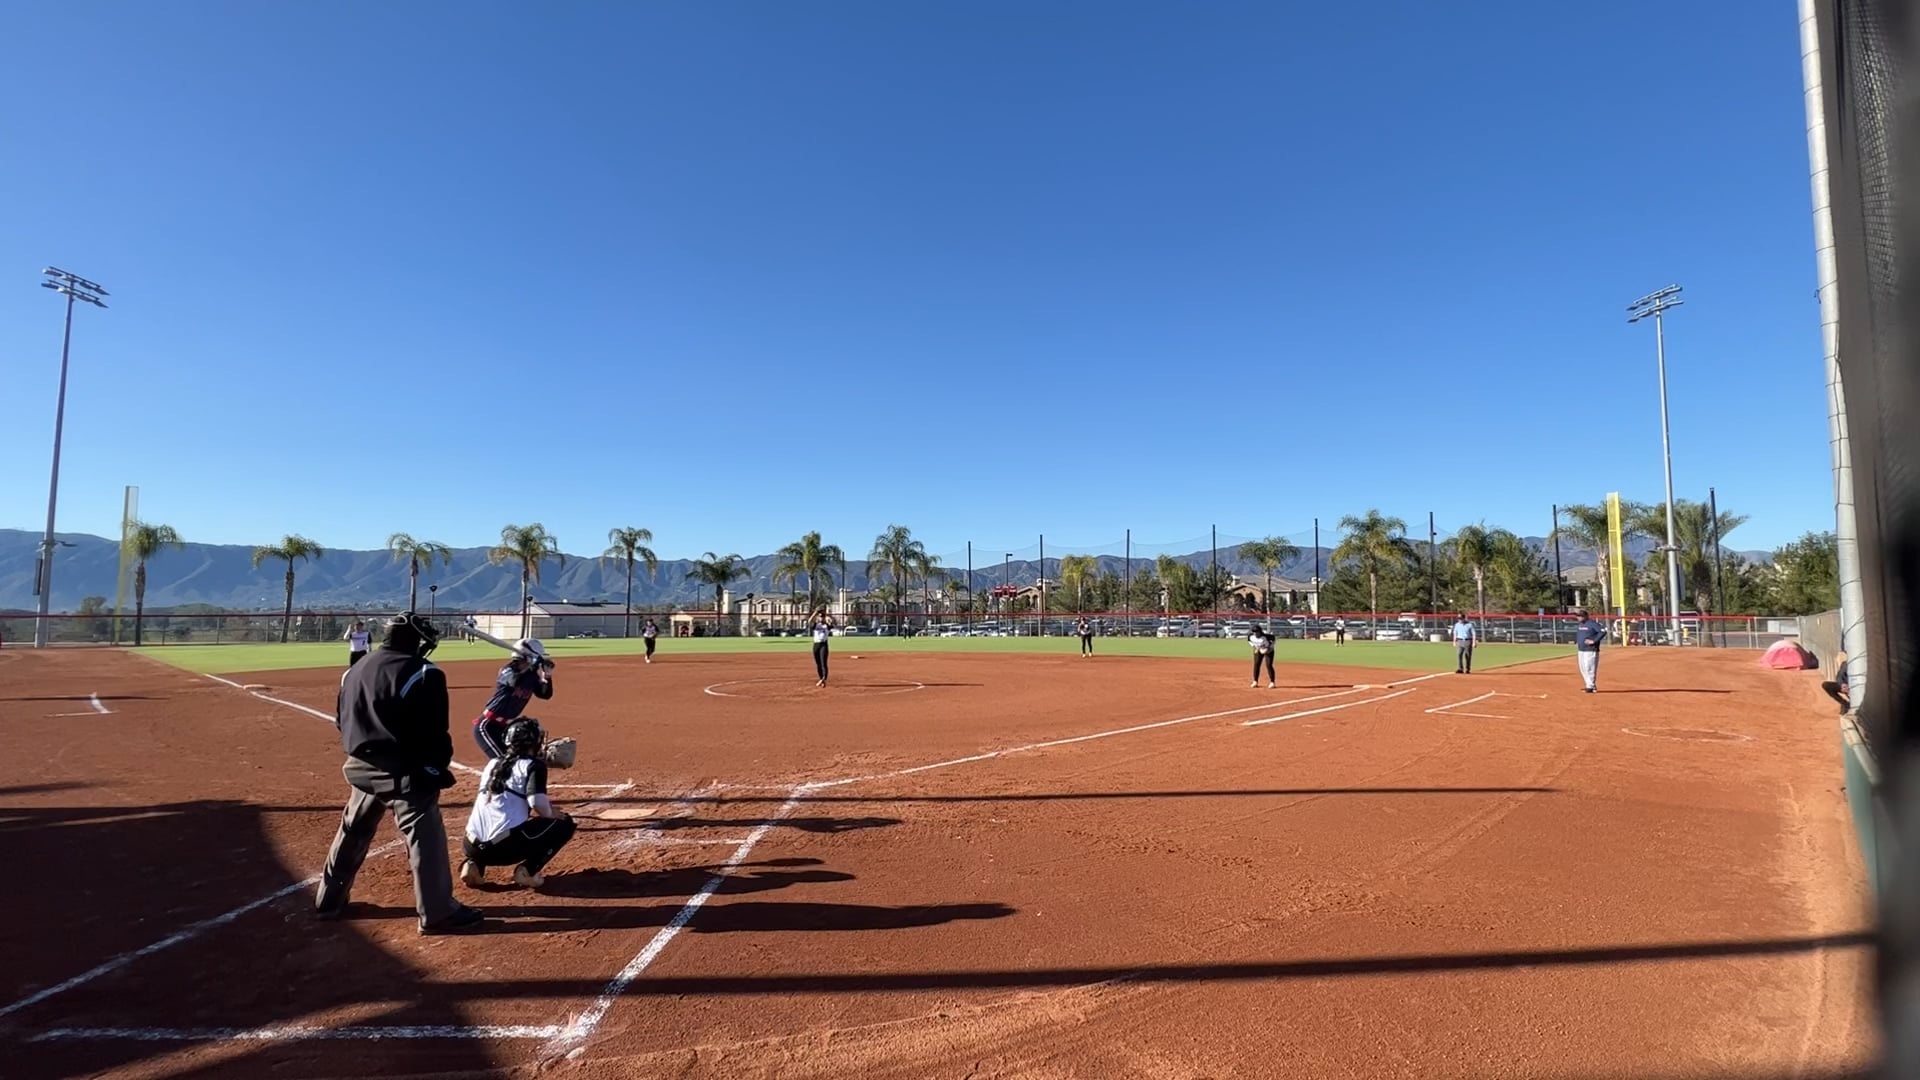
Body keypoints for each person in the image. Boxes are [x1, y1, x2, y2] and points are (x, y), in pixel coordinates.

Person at [315, 611, 483, 935]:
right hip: (405, 772)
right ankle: (437, 913)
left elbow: (340, 721)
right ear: (413, 640)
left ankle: (328, 900)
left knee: (352, 831)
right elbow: (435, 733)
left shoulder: (354, 669)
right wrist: (435, 769)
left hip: (360, 766)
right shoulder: (424, 672)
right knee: (425, 838)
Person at [461, 718, 578, 889]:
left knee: (495, 821)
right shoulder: (533, 766)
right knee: (564, 824)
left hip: (470, 846)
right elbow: (536, 801)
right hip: (504, 849)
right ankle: (528, 872)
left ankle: (473, 865)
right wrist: (551, 813)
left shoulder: (493, 763)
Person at [474, 637, 553, 759]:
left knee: (515, 761)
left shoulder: (532, 675)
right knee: (504, 762)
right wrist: (532, 666)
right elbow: (514, 682)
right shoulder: (507, 670)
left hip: (507, 728)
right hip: (488, 725)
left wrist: (547, 676)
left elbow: (545, 695)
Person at [1573, 608, 1607, 693]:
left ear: (1585, 616)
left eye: (1580, 616)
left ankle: (1590, 686)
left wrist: (1594, 641)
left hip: (1590, 649)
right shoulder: (1581, 625)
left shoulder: (1592, 624)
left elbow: (1603, 631)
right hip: (1581, 650)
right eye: (1577, 616)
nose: (1578, 617)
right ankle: (1589, 685)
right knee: (1583, 668)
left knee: (1589, 667)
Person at [810, 608, 835, 687]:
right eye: (820, 616)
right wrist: (814, 613)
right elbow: (809, 621)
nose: (821, 618)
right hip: (816, 645)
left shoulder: (826, 625)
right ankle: (821, 679)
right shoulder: (816, 625)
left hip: (823, 645)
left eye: (822, 617)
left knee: (823, 663)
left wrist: (828, 616)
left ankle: (823, 679)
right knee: (818, 664)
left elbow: (832, 623)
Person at [1249, 623, 1276, 688]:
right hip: (1258, 649)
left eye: (1257, 632)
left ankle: (1272, 682)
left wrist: (1269, 649)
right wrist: (1256, 647)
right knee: (1256, 664)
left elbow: (1273, 639)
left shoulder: (1265, 637)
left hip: (1268, 650)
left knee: (1268, 665)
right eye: (1254, 632)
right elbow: (1249, 641)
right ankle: (1255, 681)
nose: (1255, 633)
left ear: (1260, 631)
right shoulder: (1251, 636)